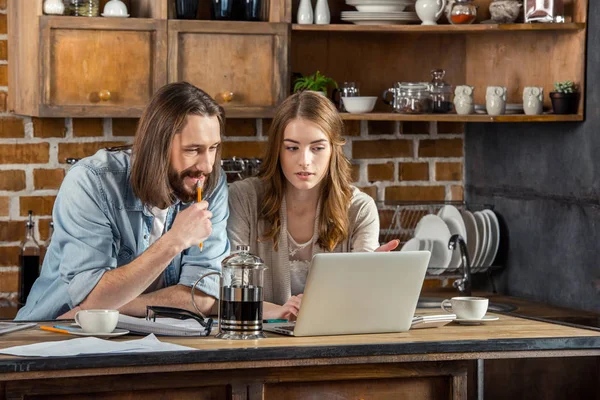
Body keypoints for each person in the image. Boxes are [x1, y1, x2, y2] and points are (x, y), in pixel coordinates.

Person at [16, 82, 230, 321]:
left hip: (145, 339)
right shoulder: (91, 181)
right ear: (157, 147)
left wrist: (115, 307)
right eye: (193, 150)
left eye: (213, 148)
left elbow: (202, 295)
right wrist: (175, 241)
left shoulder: (208, 183)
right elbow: (92, 296)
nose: (207, 165)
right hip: (54, 336)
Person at [227, 91, 398, 321]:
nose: (305, 161)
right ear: (277, 150)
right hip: (257, 339)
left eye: (317, 148)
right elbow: (229, 288)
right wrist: (276, 311)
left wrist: (370, 278)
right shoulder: (244, 198)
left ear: (333, 150)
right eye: (292, 148)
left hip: (332, 343)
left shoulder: (359, 209)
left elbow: (358, 302)